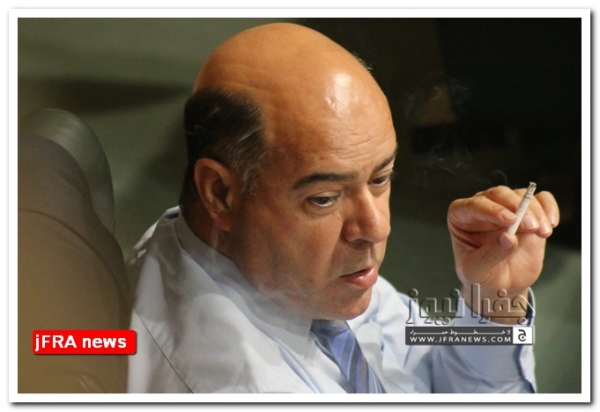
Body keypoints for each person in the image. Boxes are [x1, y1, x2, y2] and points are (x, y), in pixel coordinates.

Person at [126, 22, 560, 393]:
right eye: (324, 198)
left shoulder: (281, 270)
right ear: (220, 193)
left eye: (380, 178)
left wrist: (492, 304)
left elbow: (425, 368)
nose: (377, 227)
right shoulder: (233, 386)